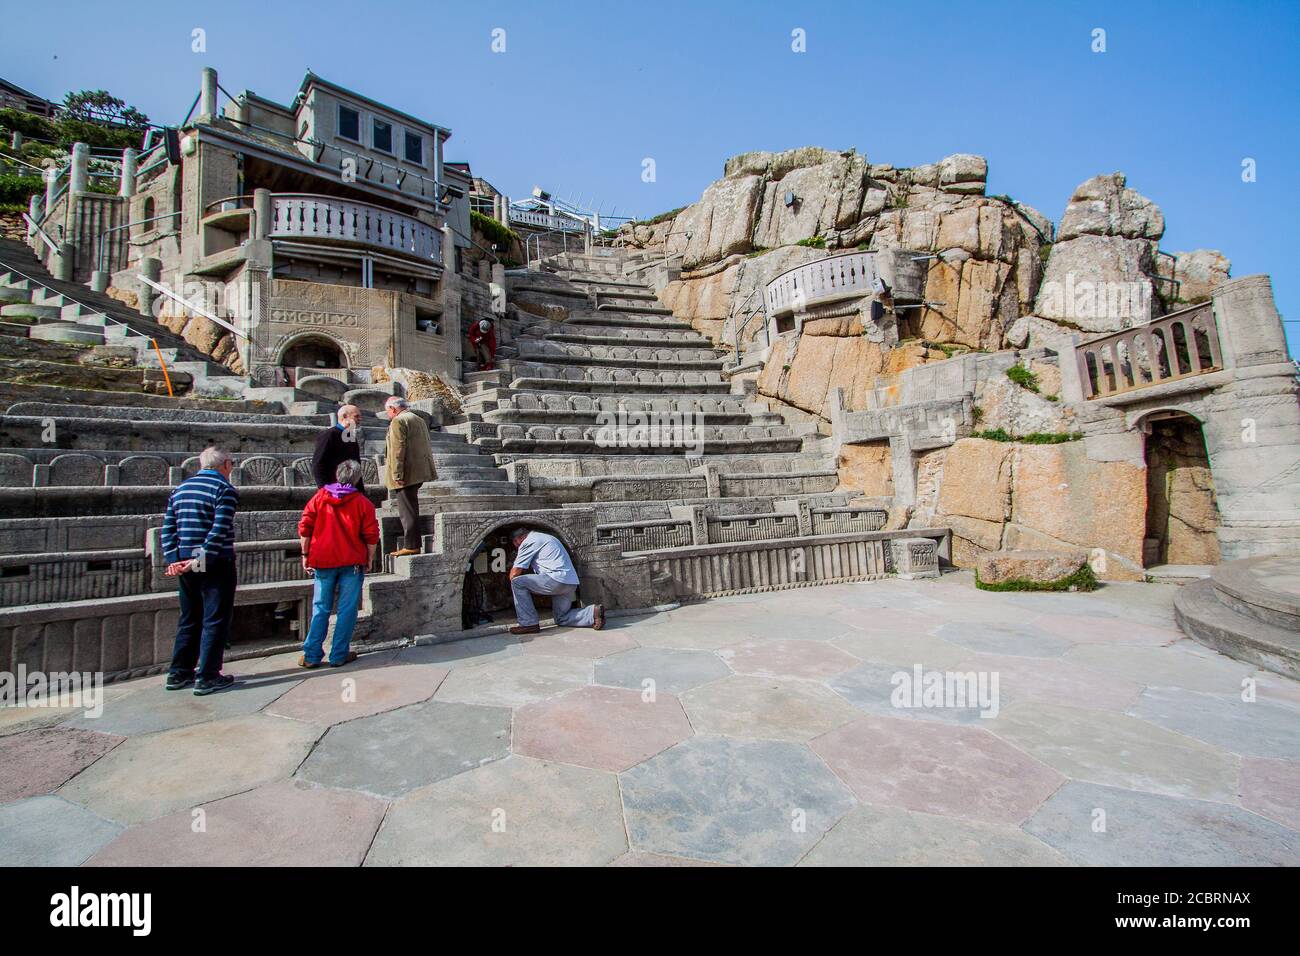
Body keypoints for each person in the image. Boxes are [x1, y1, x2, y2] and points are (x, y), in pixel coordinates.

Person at [160, 446, 239, 695]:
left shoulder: (180, 489)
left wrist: (174, 559)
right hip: (215, 562)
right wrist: (200, 559)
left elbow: (168, 528)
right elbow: (218, 530)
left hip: (185, 561)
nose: (232, 469)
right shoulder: (223, 490)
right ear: (225, 464)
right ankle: (207, 676)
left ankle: (179, 673)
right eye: (232, 464)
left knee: (189, 617)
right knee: (214, 619)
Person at [297, 459, 379, 668]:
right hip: (351, 561)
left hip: (323, 560)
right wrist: (369, 558)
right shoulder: (363, 503)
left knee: (320, 607)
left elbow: (305, 527)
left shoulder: (319, 498)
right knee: (347, 609)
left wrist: (305, 554)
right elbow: (371, 535)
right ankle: (338, 654)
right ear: (358, 479)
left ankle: (311, 655)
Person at [507, 527, 604, 635]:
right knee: (561, 618)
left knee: (517, 582)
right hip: (570, 582)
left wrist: (515, 590)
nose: (516, 545)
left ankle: (528, 623)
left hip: (555, 580)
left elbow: (515, 573)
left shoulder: (529, 541)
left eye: (516, 542)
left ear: (521, 537)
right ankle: (592, 612)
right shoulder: (545, 537)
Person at [381, 396, 436, 556]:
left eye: (388, 412)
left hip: (406, 472)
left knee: (407, 510)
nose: (388, 415)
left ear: (393, 409)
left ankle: (411, 545)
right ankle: (413, 543)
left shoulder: (399, 421)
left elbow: (398, 449)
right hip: (419, 470)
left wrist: (397, 473)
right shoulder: (417, 419)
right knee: (411, 506)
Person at [312, 403, 364, 490]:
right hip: (333, 489)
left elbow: (356, 465)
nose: (360, 419)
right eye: (356, 416)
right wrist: (324, 489)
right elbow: (318, 463)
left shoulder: (350, 437)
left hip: (350, 490)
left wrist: (360, 490)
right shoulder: (329, 435)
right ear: (344, 416)